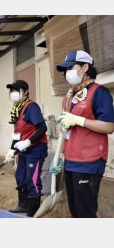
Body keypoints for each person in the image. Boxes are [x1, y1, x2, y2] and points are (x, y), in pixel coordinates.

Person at [53, 50, 114, 218]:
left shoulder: (99, 93)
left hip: (89, 162)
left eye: (70, 68)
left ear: (85, 67)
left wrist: (79, 120)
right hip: (70, 161)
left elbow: (109, 126)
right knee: (75, 210)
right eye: (65, 70)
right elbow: (66, 129)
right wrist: (58, 157)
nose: (67, 73)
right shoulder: (70, 95)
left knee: (85, 213)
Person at [5, 80, 48, 217]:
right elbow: (17, 133)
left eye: (16, 91)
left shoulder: (31, 107)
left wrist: (28, 142)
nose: (13, 94)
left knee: (32, 180)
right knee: (21, 176)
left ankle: (33, 212)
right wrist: (12, 150)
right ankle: (23, 205)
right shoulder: (17, 108)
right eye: (11, 91)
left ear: (25, 92)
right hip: (24, 150)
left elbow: (42, 128)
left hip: (35, 149)